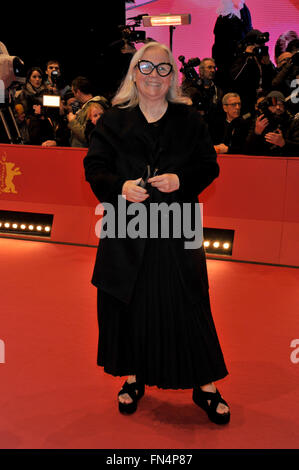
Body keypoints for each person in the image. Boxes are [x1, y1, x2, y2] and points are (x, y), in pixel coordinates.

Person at [84, 41, 230, 425]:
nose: (154, 75)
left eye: (163, 69)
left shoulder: (190, 120)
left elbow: (208, 167)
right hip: (126, 228)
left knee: (189, 304)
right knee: (128, 304)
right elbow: (94, 167)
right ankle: (133, 377)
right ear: (134, 73)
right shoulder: (112, 121)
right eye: (146, 68)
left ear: (172, 77)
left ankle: (205, 385)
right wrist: (119, 187)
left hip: (176, 226)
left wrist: (181, 179)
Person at [230, 29, 277, 115]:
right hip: (247, 104)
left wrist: (268, 64)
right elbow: (235, 77)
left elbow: (275, 80)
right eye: (259, 44)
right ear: (250, 45)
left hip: (264, 101)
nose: (262, 46)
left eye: (263, 44)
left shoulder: (264, 59)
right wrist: (247, 55)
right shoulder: (243, 58)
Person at [212, 0, 252, 91]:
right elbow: (219, 43)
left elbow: (248, 30)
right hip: (227, 62)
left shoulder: (244, 9)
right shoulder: (223, 16)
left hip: (242, 60)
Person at [245, 90, 299, 156]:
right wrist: (256, 133)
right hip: (263, 163)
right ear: (267, 107)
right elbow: (247, 151)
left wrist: (283, 143)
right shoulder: (260, 121)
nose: (278, 107)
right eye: (274, 105)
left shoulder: (294, 122)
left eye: (280, 104)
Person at [181, 58, 224, 139]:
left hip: (213, 134)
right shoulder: (191, 89)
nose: (213, 70)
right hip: (194, 132)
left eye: (214, 68)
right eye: (209, 67)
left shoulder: (218, 91)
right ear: (201, 71)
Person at [67, 76, 108, 147]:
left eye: (73, 92)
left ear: (78, 92)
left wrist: (72, 121)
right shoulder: (87, 106)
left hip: (85, 153)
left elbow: (87, 136)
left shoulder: (94, 107)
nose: (74, 96)